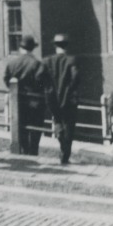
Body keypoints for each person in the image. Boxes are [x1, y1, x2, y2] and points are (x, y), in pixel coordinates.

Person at [3, 35, 48, 155]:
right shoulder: (38, 64)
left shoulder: (12, 63)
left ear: (21, 47)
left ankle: (24, 151)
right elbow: (41, 82)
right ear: (33, 48)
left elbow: (6, 79)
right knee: (35, 130)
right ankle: (33, 152)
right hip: (35, 103)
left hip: (18, 101)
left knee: (20, 127)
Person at [43, 33, 80, 165]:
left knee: (57, 120)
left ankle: (59, 135)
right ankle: (65, 154)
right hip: (68, 99)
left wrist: (48, 89)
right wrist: (70, 89)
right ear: (67, 46)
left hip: (52, 98)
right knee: (69, 126)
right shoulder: (71, 60)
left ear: (55, 46)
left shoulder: (47, 61)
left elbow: (41, 77)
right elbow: (75, 77)